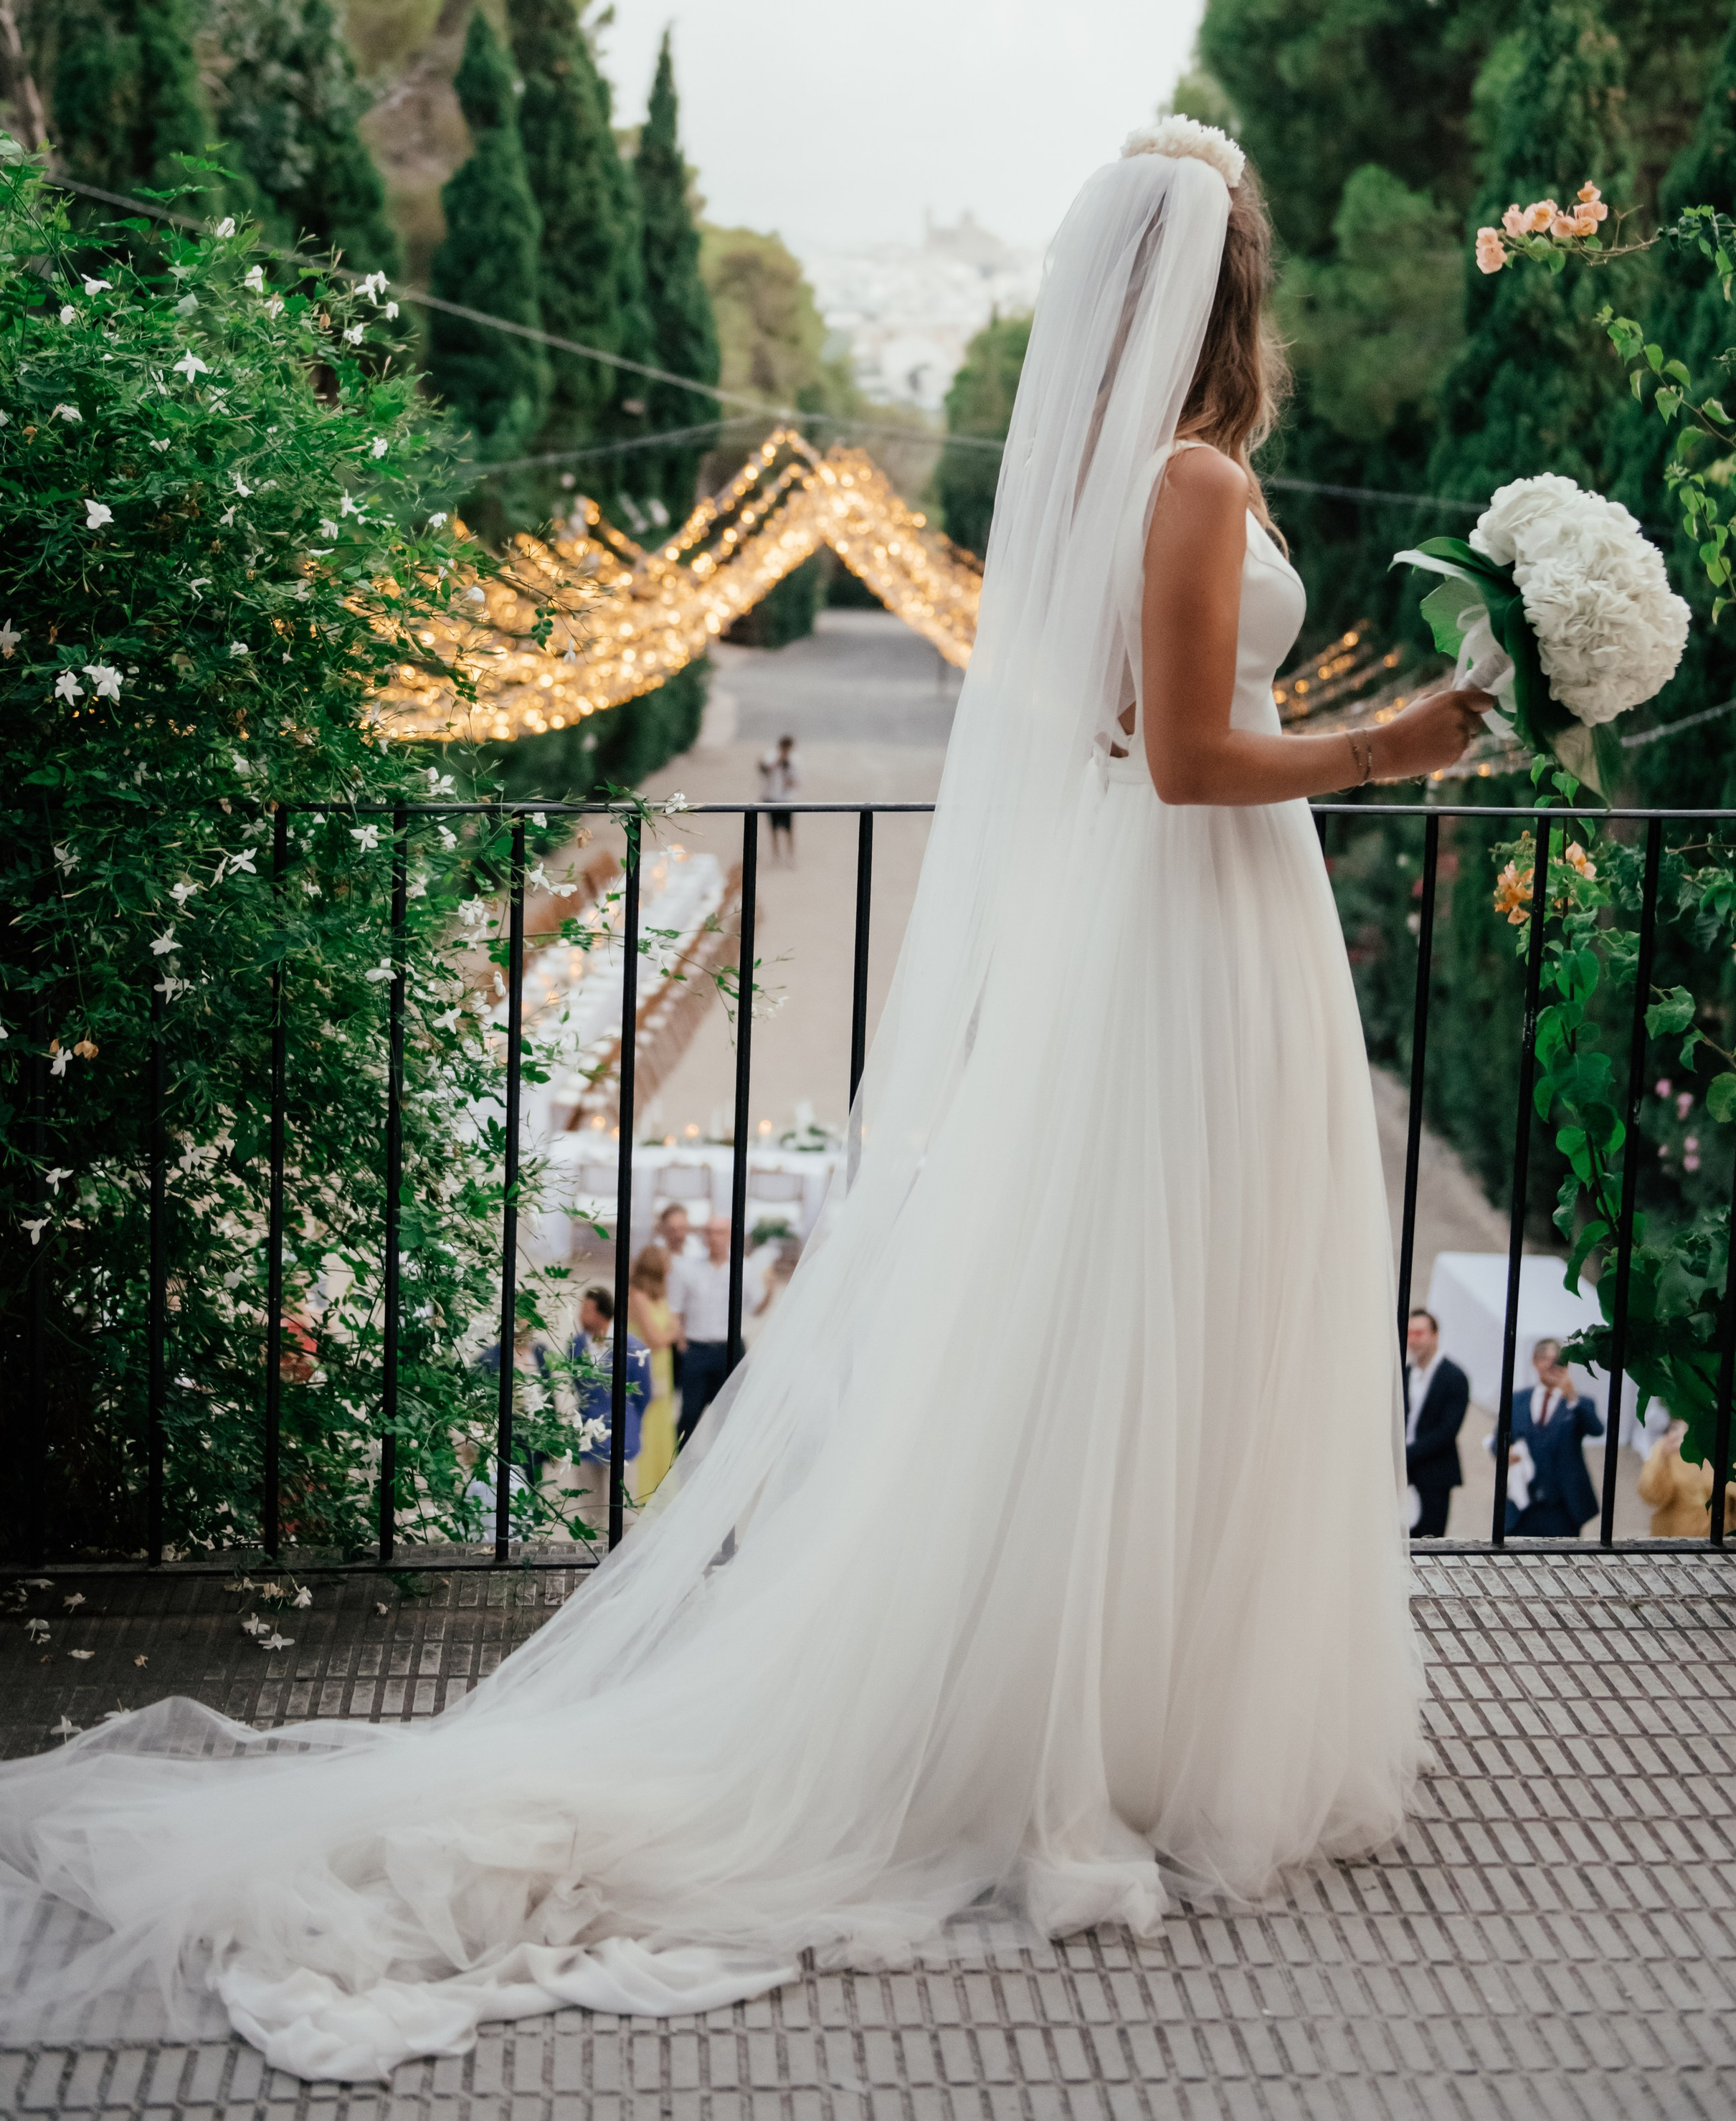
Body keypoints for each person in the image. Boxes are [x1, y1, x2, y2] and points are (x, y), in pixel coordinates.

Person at [0, 120, 1492, 2077]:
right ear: (1236, 287)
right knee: (1187, 1296)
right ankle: (1126, 1728)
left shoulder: (1131, 474)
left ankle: (1132, 1700)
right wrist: (1403, 738)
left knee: (1145, 1304)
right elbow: (1195, 759)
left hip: (1179, 923)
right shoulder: (1195, 477)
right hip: (1200, 914)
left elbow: (1141, 726)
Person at [568, 1287, 651, 1542]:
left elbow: (643, 1393)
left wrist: (631, 1423)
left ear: (602, 1313)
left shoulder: (631, 1348)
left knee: (623, 1509)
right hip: (587, 1435)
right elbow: (577, 1385)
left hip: (620, 1436)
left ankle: (626, 1554)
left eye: (587, 1310)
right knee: (590, 1509)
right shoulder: (577, 1346)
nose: (581, 1315)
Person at [674, 1218, 765, 1445]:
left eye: (719, 1232)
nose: (713, 1238)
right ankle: (679, 1461)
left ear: (730, 1236)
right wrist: (681, 1341)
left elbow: (756, 1308)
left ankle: (720, 1463)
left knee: (729, 1415)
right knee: (689, 1413)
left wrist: (771, 1289)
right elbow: (676, 1308)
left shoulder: (745, 1268)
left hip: (730, 1349)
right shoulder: (688, 1267)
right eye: (709, 1232)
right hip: (697, 1348)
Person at [1500, 1339, 1603, 1537]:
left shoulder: (1579, 1402)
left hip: (1562, 1507)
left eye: (1558, 1361)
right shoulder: (1518, 1400)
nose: (1551, 1366)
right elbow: (1499, 1439)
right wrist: (1506, 1452)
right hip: (1522, 1505)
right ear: (1535, 1361)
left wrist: (1572, 1397)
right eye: (1545, 1359)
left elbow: (1596, 1430)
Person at [1403, 1309, 1468, 1539]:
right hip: (1401, 1475)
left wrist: (1406, 1454)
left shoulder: (1454, 1376)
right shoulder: (1404, 1373)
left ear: (1435, 1335)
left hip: (1434, 1475)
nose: (1413, 1340)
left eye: (1419, 1333)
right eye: (1409, 1333)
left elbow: (1447, 1431)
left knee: (1429, 1543)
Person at [627, 1247, 682, 1506]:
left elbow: (671, 1331)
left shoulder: (659, 1296)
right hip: (646, 1369)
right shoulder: (637, 1297)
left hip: (663, 1369)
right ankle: (645, 1491)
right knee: (647, 1428)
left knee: (662, 1427)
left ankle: (663, 1489)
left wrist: (670, 1333)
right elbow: (655, 1338)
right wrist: (672, 1332)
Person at [1637, 1418, 1736, 1538]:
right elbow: (1651, 1496)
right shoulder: (1668, 1449)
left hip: (1717, 1542)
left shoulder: (1731, 1456)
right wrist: (1662, 1456)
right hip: (1671, 1540)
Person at [758, 733, 798, 863]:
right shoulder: (771, 755)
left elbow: (795, 781)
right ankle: (776, 855)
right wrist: (778, 762)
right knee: (774, 828)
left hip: (787, 799)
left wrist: (788, 769)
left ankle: (790, 855)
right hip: (771, 797)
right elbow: (764, 770)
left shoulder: (795, 759)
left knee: (789, 829)